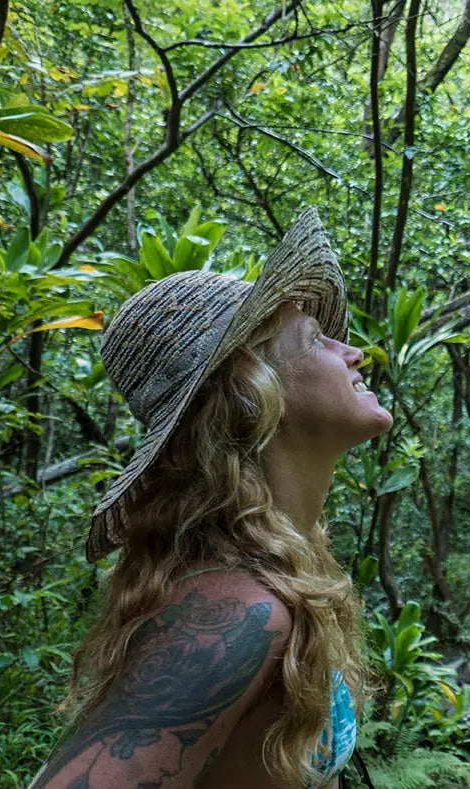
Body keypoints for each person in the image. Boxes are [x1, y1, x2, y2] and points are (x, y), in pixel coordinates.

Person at [31, 209, 393, 788]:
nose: (353, 352)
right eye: (315, 339)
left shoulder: (278, 572)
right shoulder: (238, 609)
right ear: (255, 390)